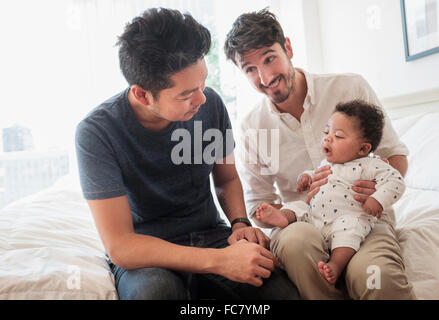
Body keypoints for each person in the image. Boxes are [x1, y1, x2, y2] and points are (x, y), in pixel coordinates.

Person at [75, 8, 299, 300]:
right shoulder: (97, 133)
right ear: (143, 94)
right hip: (147, 253)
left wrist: (240, 223)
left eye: (203, 83)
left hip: (212, 236)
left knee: (280, 293)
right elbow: (121, 247)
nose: (202, 98)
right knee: (156, 294)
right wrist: (221, 262)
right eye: (186, 94)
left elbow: (227, 179)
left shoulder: (210, 105)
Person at [224, 8, 416, 299]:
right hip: (303, 223)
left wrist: (376, 191)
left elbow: (395, 156)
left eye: (269, 58)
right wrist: (281, 215)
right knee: (296, 244)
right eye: (250, 69)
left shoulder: (349, 87)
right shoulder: (252, 128)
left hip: (363, 218)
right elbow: (259, 205)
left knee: (376, 277)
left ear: (287, 47)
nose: (264, 77)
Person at [255, 100, 406, 285]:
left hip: (347, 217)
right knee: (298, 205)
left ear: (363, 148)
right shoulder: (328, 163)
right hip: (315, 216)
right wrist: (306, 177)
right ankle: (282, 218)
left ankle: (336, 264)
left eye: (338, 136)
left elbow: (396, 181)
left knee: (349, 232)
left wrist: (377, 199)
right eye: (326, 132)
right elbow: (315, 173)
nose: (328, 138)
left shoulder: (371, 165)